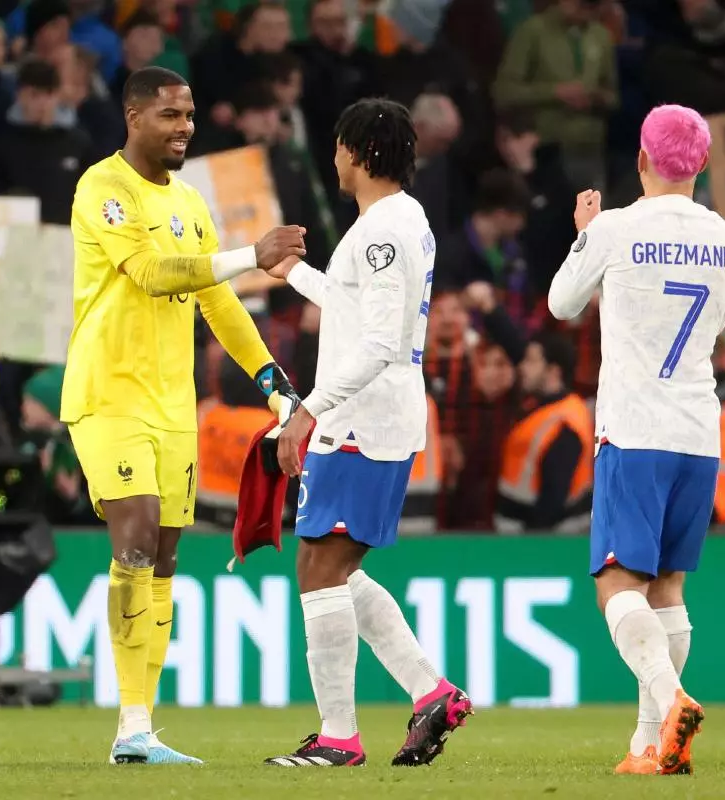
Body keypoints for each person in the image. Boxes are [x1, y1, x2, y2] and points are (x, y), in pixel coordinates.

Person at [60, 65, 307, 766]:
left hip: (172, 407)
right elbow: (150, 271)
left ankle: (138, 728)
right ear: (134, 116)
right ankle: (130, 729)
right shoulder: (103, 189)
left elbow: (219, 303)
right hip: (108, 393)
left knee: (164, 556)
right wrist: (248, 257)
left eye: (191, 115)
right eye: (171, 115)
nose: (185, 128)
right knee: (133, 536)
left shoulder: (193, 202)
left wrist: (271, 381)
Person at [263, 98, 472, 768]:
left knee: (321, 568)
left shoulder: (384, 230)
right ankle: (429, 691)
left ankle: (339, 737)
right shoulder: (396, 223)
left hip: (362, 418)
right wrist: (288, 272)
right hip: (373, 414)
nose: (333, 158)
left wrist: (308, 409)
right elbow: (356, 309)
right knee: (332, 567)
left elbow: (380, 340)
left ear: (360, 152)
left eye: (338, 146)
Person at [547, 104, 725, 776]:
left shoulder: (616, 228)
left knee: (617, 580)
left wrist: (585, 236)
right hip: (699, 429)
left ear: (640, 161)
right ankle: (647, 747)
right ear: (703, 165)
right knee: (669, 589)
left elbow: (560, 304)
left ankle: (670, 696)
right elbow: (716, 319)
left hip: (634, 427)